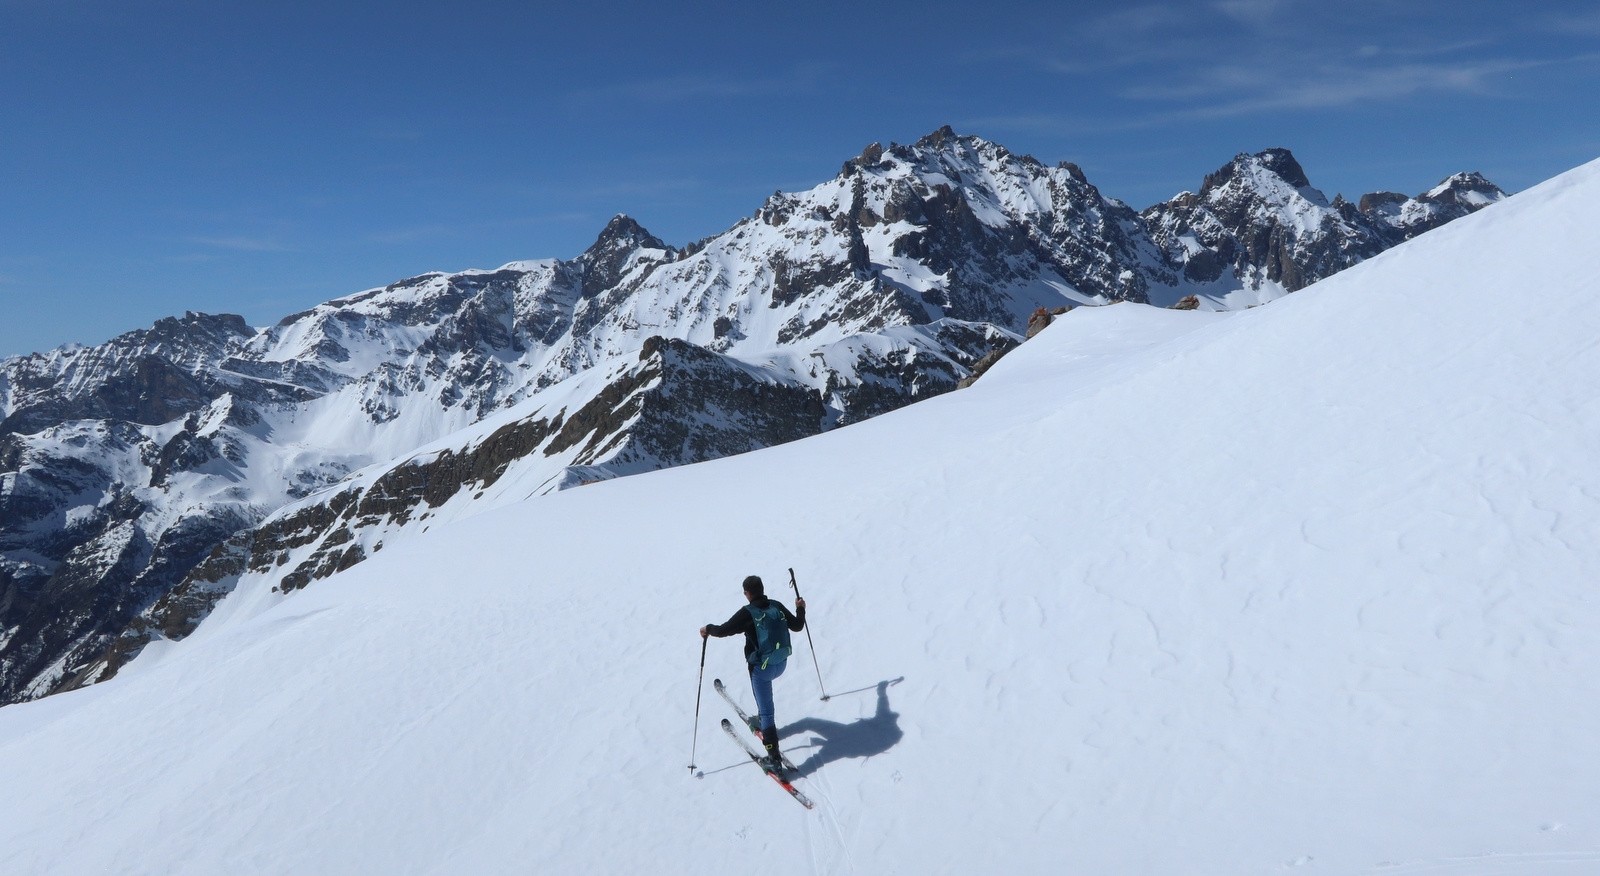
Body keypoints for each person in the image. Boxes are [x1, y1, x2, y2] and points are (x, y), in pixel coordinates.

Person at [700, 575, 806, 771]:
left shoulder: (747, 613)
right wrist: (800, 608)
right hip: (781, 664)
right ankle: (763, 721)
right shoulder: (776, 605)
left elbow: (723, 630)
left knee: (767, 712)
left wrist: (708, 629)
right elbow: (798, 626)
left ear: (747, 594)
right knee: (765, 705)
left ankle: (774, 758)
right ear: (762, 589)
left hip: (762, 671)